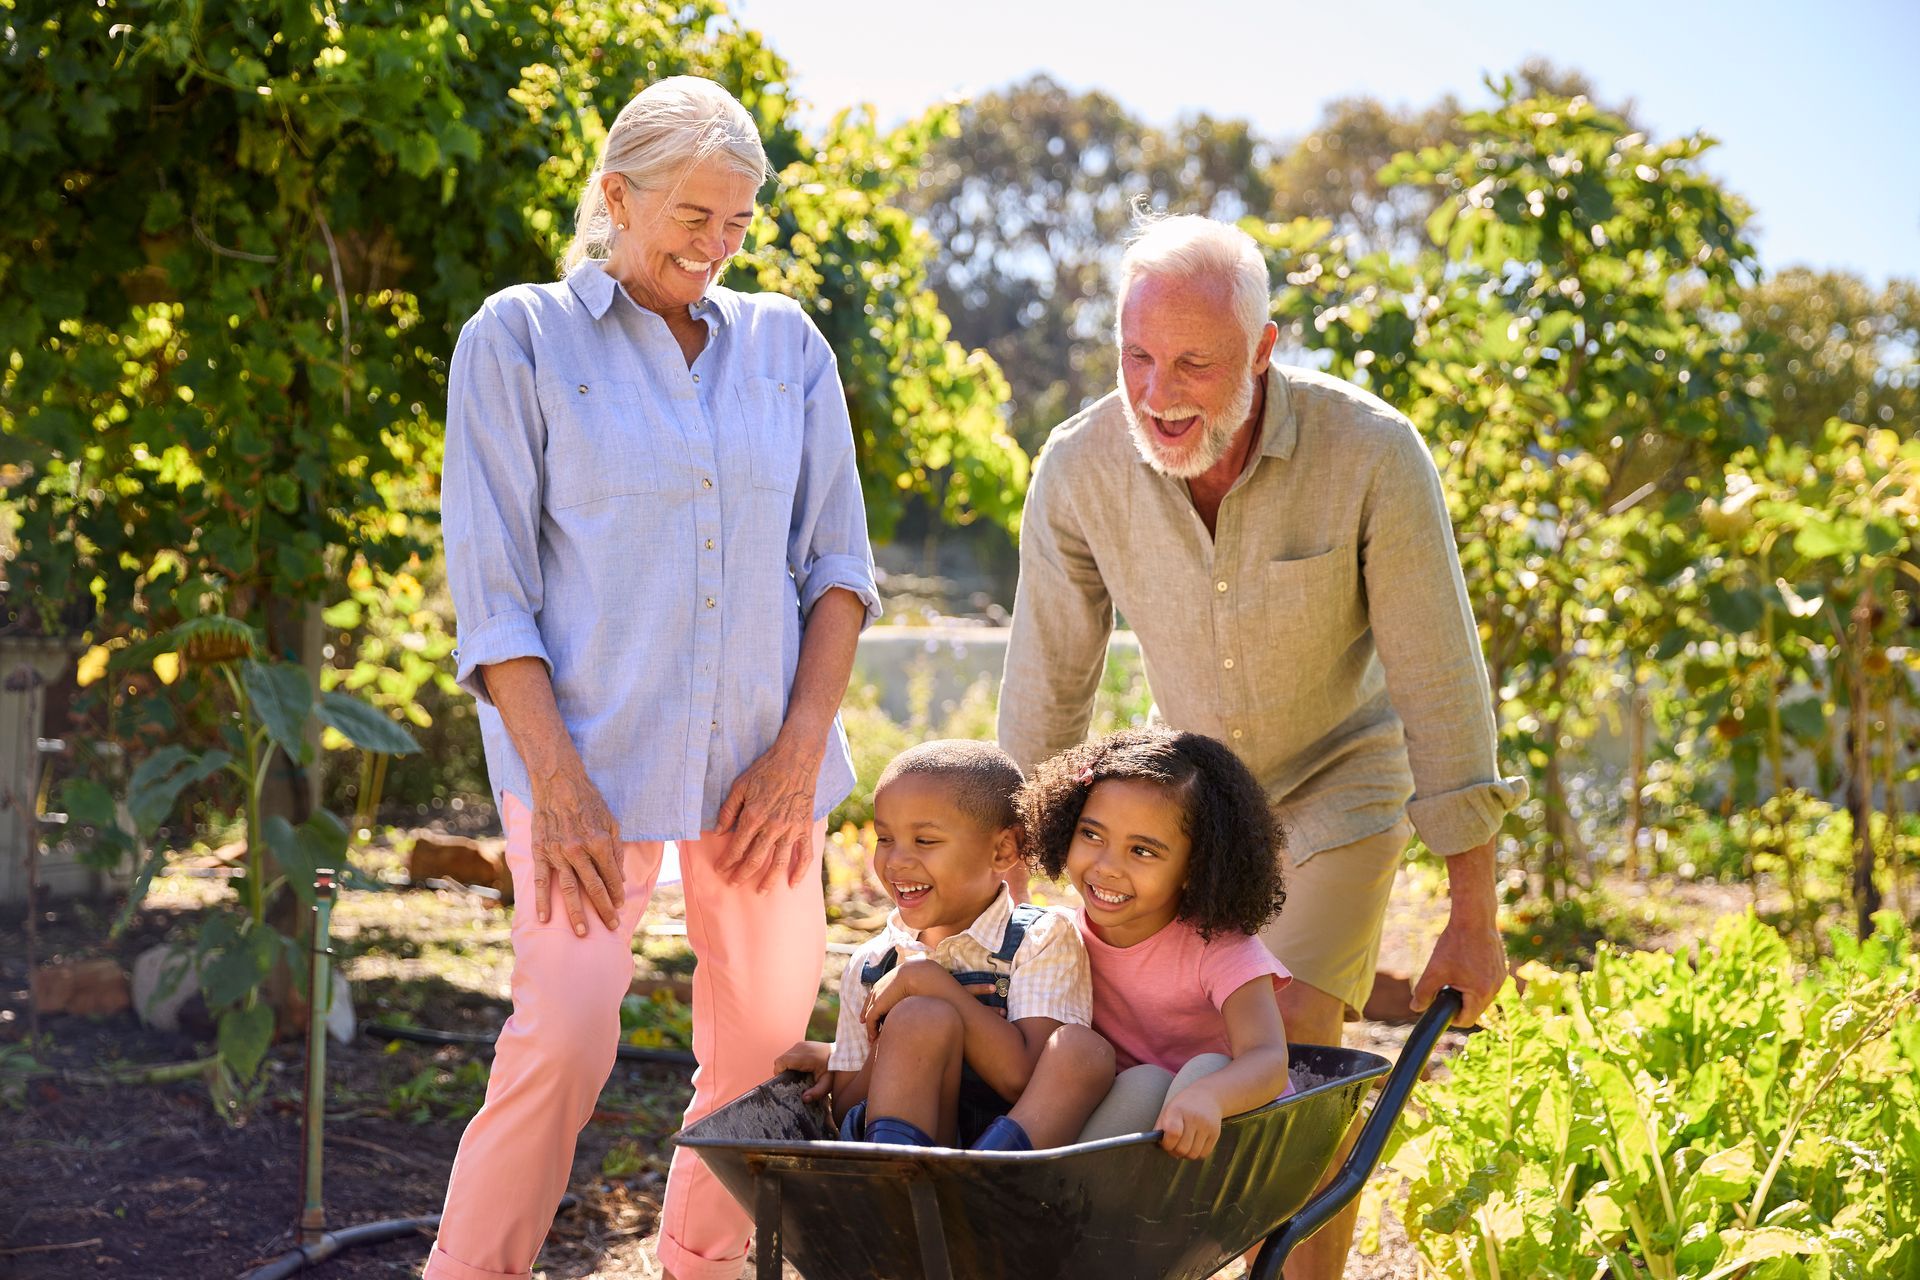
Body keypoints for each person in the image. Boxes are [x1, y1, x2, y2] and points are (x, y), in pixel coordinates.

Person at [997, 213, 1526, 1278]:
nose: (1160, 390)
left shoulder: (1370, 450)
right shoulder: (1083, 463)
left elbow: (1439, 676)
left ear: (1266, 347)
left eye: (1195, 361)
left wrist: (1474, 907)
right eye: (1137, 357)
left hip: (1341, 780)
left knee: (1283, 1044)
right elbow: (1049, 677)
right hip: (1196, 799)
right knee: (1154, 1042)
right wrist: (1010, 877)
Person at [431, 76, 879, 1280]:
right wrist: (559, 786)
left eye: (737, 222)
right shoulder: (517, 337)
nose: (716, 244)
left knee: (771, 1045)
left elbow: (838, 564)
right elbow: (495, 594)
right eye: (693, 214)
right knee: (566, 1034)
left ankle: (703, 1259)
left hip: (762, 768)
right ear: (615, 197)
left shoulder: (786, 344)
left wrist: (800, 753)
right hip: (582, 759)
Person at [776, 740, 1113, 1150]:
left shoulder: (1039, 940)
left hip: (1009, 1163)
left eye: (925, 841)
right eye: (885, 838)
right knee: (919, 1019)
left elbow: (1022, 1080)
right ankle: (900, 1192)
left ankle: (980, 1187)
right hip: (906, 1157)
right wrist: (893, 1038)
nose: (896, 861)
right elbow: (848, 1108)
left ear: (1003, 849)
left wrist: (930, 981)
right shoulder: (872, 963)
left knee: (1083, 1049)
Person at [1021, 728, 1292, 1159]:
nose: (1107, 867)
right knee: (1143, 1082)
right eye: (1092, 835)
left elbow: (1268, 1060)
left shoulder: (1219, 948)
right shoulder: (1060, 939)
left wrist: (1211, 1097)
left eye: (1142, 851)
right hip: (1132, 1120)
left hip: (1226, 1133)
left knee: (1204, 1070)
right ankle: (1079, 1213)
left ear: (1195, 867)